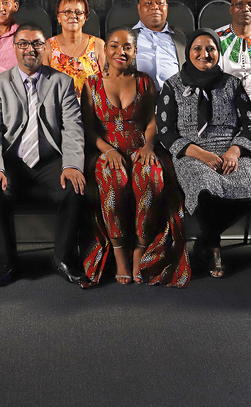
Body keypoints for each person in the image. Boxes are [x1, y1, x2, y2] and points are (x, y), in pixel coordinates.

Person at [80, 26, 190, 287]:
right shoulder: (91, 83)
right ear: (105, 50)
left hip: (142, 148)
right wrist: (107, 150)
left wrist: (150, 146)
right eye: (114, 46)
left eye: (127, 47)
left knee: (150, 177)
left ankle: (140, 250)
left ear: (135, 51)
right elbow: (87, 128)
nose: (121, 51)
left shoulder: (144, 81)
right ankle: (120, 255)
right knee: (113, 179)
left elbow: (152, 120)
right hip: (105, 151)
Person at [0, 22, 88, 286]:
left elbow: (73, 127)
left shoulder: (62, 82)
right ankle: (7, 262)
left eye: (37, 43)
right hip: (12, 161)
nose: (31, 49)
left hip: (50, 159)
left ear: (46, 47)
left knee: (74, 187)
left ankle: (62, 258)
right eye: (24, 43)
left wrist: (72, 164)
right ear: (14, 48)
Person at [156, 28, 251, 277]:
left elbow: (250, 123)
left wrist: (235, 151)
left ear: (218, 52)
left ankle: (206, 239)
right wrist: (201, 155)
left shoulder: (232, 83)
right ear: (189, 52)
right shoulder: (172, 85)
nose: (205, 54)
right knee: (203, 188)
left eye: (211, 49)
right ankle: (213, 245)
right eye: (198, 49)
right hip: (191, 154)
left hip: (230, 151)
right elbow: (165, 131)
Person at [45, 0, 105, 99]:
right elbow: (43, 86)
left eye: (78, 12)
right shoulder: (48, 46)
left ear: (85, 17)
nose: (73, 16)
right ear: (58, 18)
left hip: (92, 110)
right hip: (59, 110)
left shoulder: (98, 45)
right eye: (67, 12)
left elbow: (109, 82)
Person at [133, 0, 187, 90]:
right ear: (139, 8)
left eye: (160, 3)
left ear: (166, 7)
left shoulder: (184, 37)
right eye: (148, 3)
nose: (155, 7)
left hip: (176, 99)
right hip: (139, 99)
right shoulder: (125, 35)